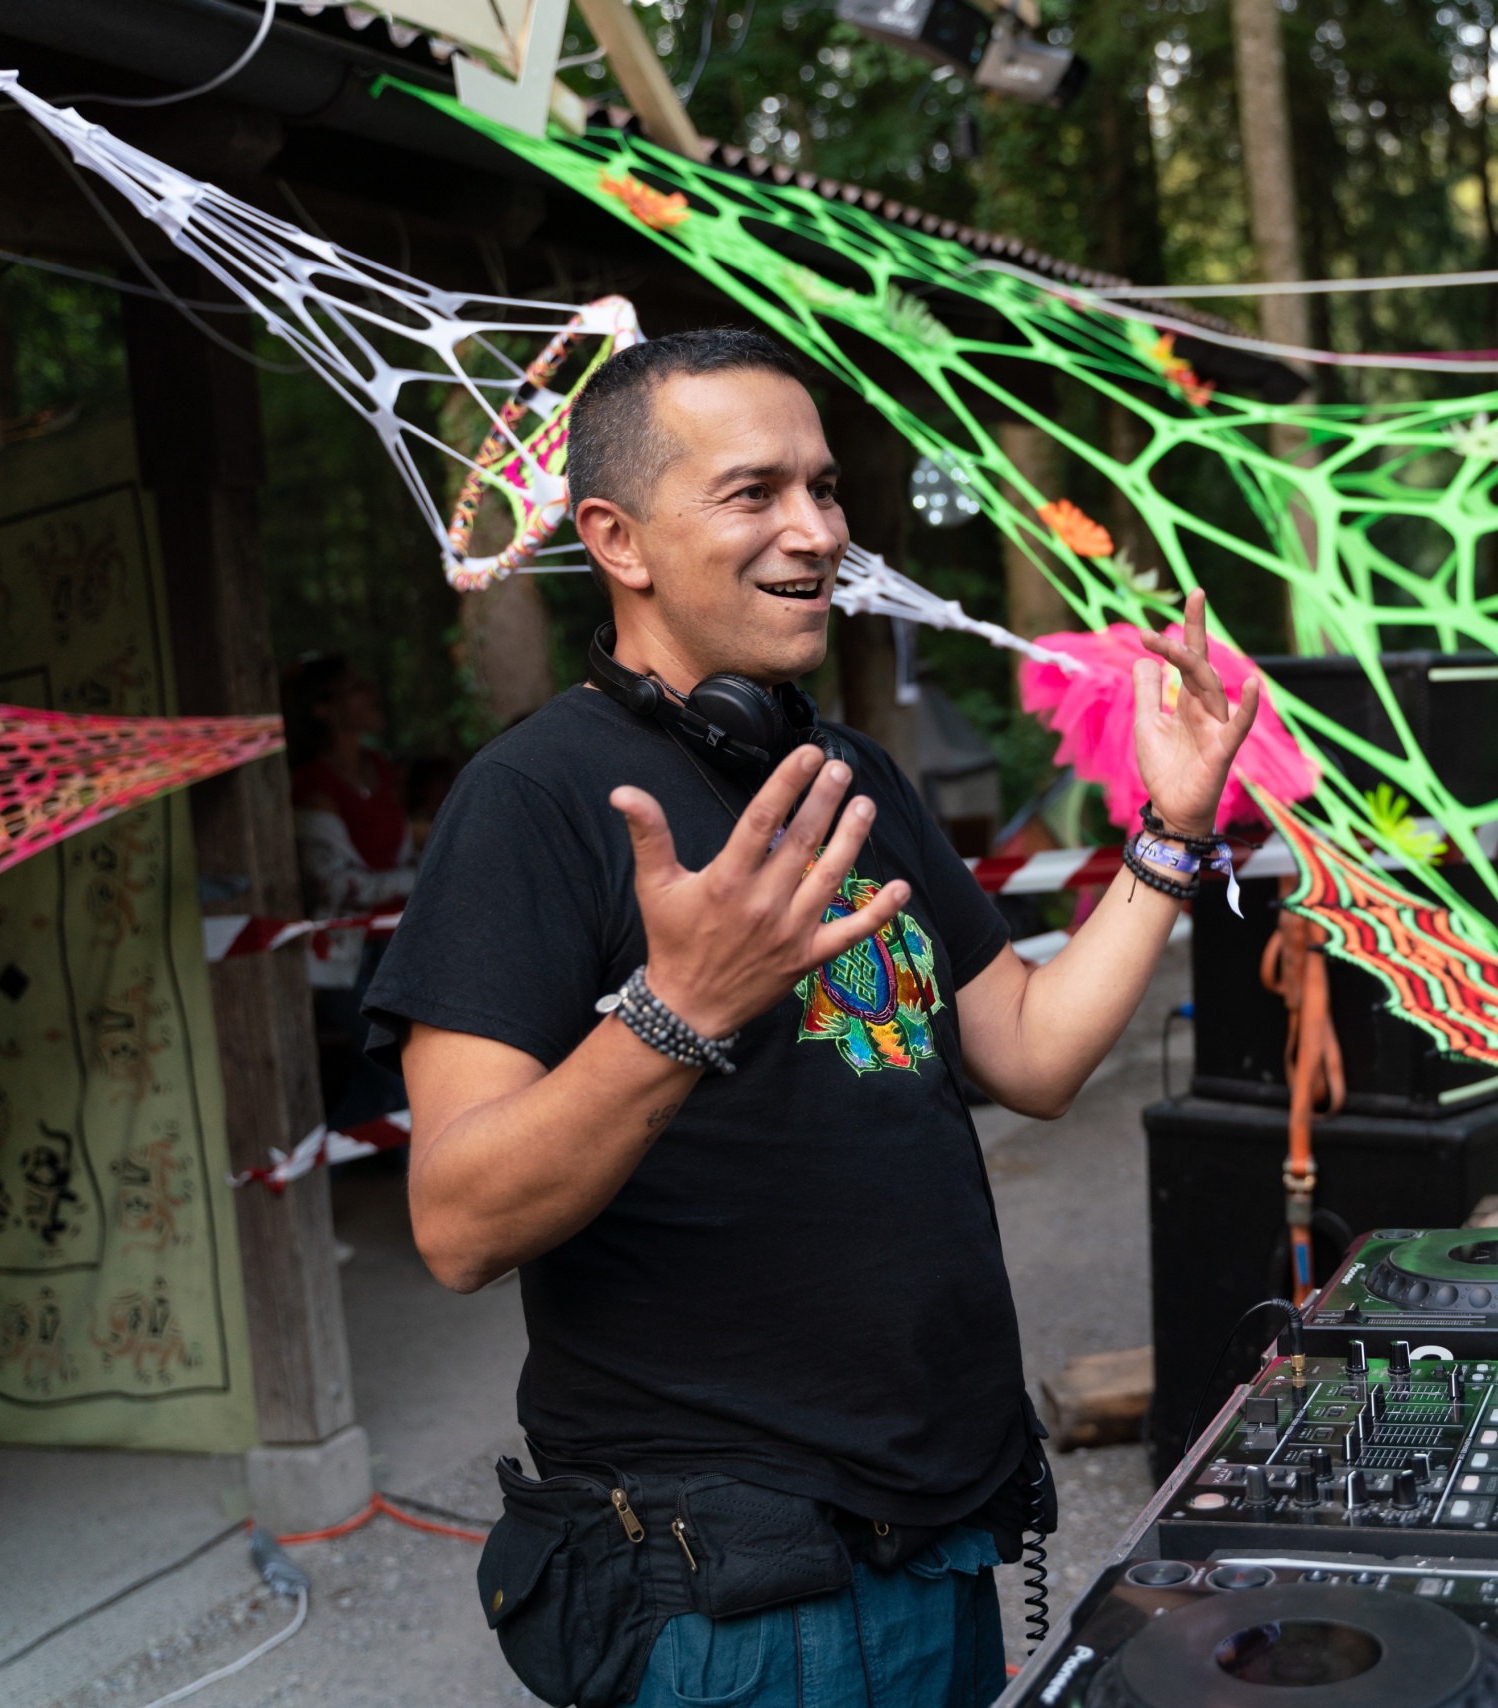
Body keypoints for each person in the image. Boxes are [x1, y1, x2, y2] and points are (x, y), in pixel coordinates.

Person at [363, 329, 1262, 1705]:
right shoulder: (532, 800)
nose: (818, 530)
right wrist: (681, 1008)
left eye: (825, 487)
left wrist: (1173, 832)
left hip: (940, 1536)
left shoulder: (849, 773)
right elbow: (456, 1223)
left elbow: (1030, 1049)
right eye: (754, 491)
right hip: (737, 1594)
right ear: (616, 538)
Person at [283, 656, 414, 1128]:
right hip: (346, 959)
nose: (371, 692)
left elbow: (396, 858)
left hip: (399, 947)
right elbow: (337, 884)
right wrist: (418, 879)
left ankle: (323, 1159)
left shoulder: (379, 769)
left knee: (381, 1085)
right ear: (323, 709)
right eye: (355, 686)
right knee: (399, 1079)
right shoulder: (312, 784)